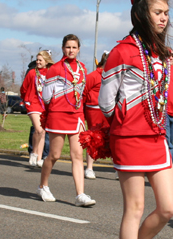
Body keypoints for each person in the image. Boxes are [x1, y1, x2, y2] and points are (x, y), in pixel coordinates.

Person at [99, 0, 173, 239]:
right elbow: (106, 102)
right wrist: (124, 121)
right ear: (141, 14)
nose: (163, 18)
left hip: (157, 137)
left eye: (166, 13)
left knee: (169, 207)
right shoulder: (122, 52)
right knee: (135, 207)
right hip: (130, 138)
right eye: (158, 12)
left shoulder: (160, 52)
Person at [38, 34, 95, 206]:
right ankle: (43, 185)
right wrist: (60, 102)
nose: (71, 50)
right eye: (68, 47)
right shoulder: (55, 68)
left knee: (77, 155)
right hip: (58, 114)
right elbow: (46, 96)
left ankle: (80, 195)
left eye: (74, 47)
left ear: (78, 49)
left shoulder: (83, 68)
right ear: (63, 48)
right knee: (54, 155)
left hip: (76, 116)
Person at [21, 50, 53, 167]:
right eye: (37, 60)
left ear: (46, 62)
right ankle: (34, 152)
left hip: (44, 105)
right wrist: (27, 100)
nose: (38, 62)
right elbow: (23, 88)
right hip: (33, 103)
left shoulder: (50, 73)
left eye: (40, 60)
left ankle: (40, 158)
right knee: (38, 130)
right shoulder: (32, 73)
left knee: (43, 132)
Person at [83, 51, 109, 179]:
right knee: (93, 138)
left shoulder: (115, 76)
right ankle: (89, 167)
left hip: (110, 111)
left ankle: (117, 168)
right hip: (93, 110)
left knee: (112, 138)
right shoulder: (93, 76)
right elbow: (84, 93)